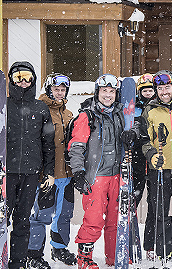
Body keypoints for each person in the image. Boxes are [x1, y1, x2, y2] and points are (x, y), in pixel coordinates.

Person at [0, 61, 55, 269]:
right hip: (4, 174)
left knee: (23, 221)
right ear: (11, 80)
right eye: (18, 77)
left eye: (28, 77)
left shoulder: (41, 108)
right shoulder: (1, 104)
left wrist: (48, 172)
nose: (23, 81)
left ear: (34, 80)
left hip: (31, 174)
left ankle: (17, 262)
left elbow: (48, 143)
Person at [67, 73, 125, 268]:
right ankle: (84, 258)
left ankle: (113, 257)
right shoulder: (87, 116)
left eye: (111, 91)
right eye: (104, 91)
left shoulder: (119, 115)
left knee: (114, 219)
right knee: (93, 220)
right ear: (97, 93)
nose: (108, 95)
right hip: (96, 176)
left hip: (116, 175)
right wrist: (78, 172)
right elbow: (76, 146)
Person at [135, 70, 172, 262]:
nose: (164, 92)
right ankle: (164, 251)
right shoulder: (150, 110)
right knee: (161, 213)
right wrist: (151, 155)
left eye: (167, 87)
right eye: (160, 88)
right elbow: (144, 139)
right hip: (159, 170)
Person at [26, 74, 76, 269]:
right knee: (41, 215)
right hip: (47, 174)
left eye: (63, 90)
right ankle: (34, 253)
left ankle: (59, 248)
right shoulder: (39, 110)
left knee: (64, 214)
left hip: (67, 173)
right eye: (56, 89)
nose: (60, 92)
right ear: (49, 90)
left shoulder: (69, 114)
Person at [131, 73, 157, 260]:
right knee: (133, 202)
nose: (148, 93)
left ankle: (150, 244)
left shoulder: (158, 109)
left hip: (155, 159)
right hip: (137, 160)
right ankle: (130, 240)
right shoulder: (134, 109)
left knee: (155, 204)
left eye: (150, 90)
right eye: (145, 90)